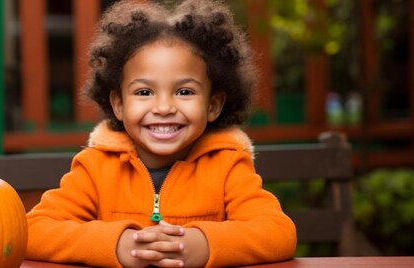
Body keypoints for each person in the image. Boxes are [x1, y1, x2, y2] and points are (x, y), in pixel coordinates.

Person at [25, 0, 296, 267]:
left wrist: (203, 244)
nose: (164, 107)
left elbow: (278, 232)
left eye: (184, 92)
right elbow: (33, 230)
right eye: (144, 92)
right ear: (118, 104)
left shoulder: (227, 166)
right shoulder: (96, 168)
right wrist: (118, 244)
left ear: (212, 105)